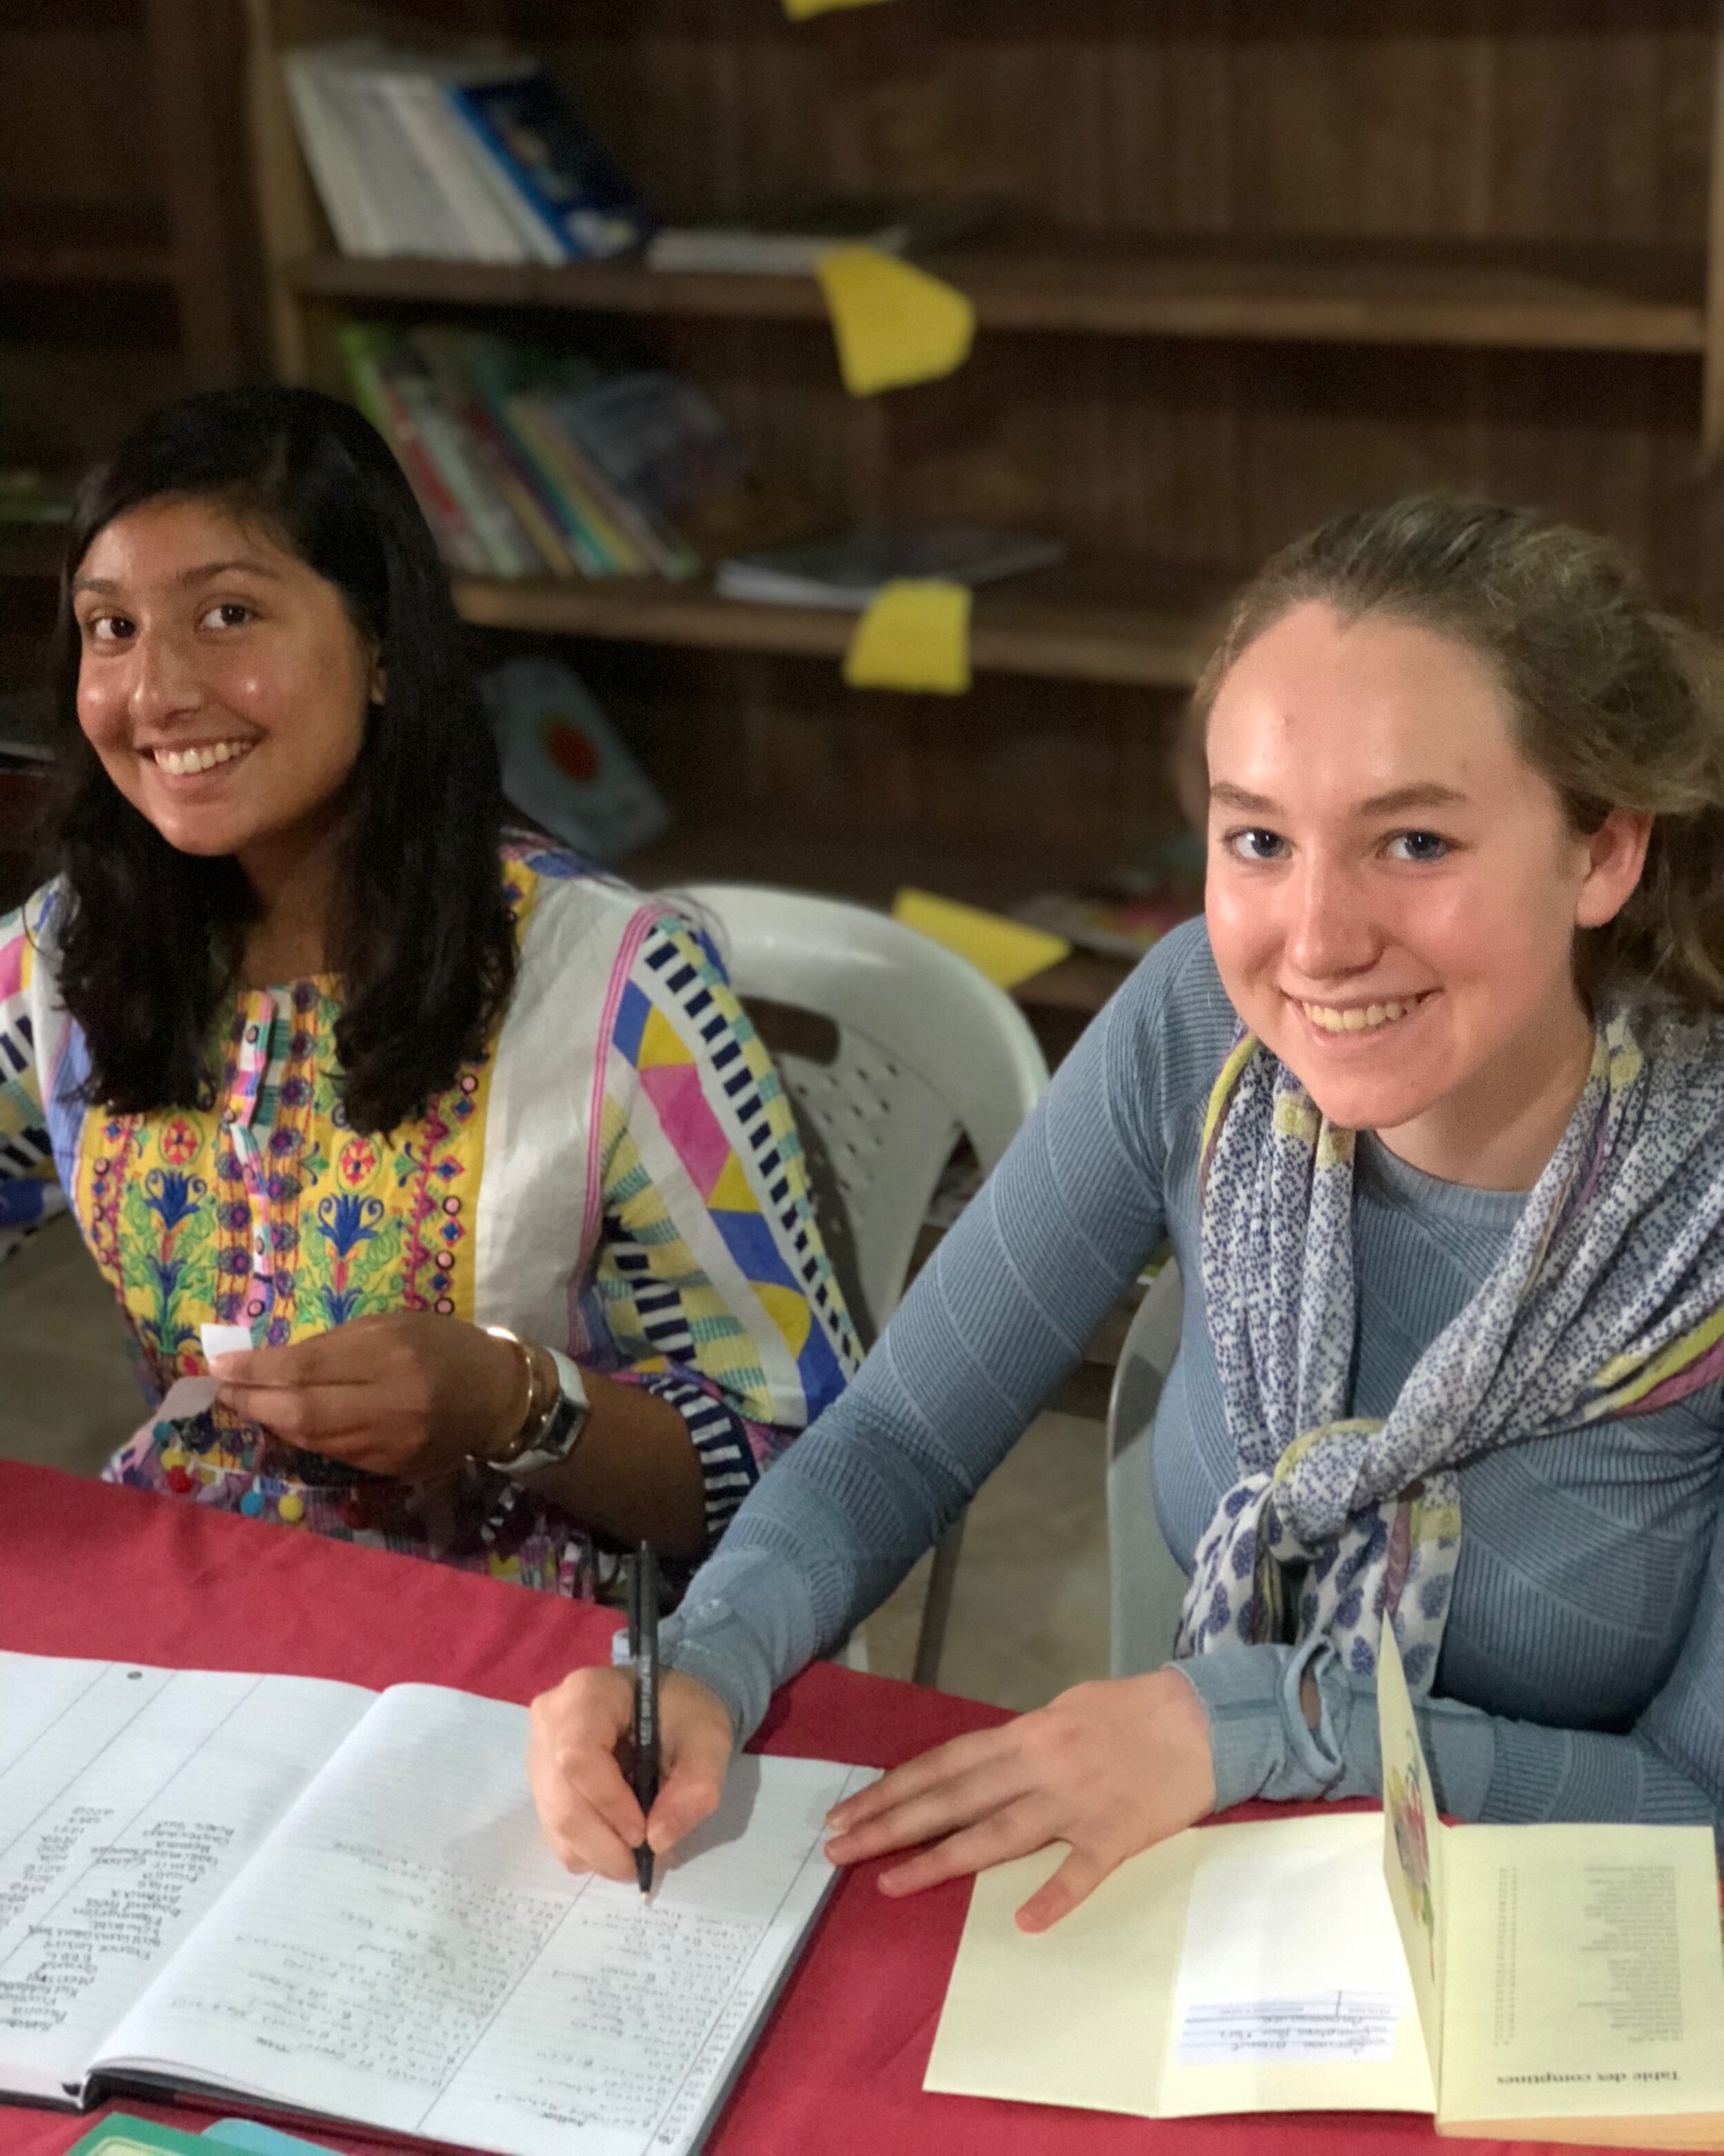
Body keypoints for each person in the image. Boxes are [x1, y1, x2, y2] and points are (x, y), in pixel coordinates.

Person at [528, 492, 1724, 1915]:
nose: (1320, 941)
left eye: (1413, 843)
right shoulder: (1192, 1028)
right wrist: (702, 1665)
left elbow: (1698, 1811)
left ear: (1602, 852)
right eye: (1258, 842)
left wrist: (1261, 1728)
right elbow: (905, 1433)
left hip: (1582, 1988)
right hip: (1218, 1931)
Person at [0, 388, 859, 1589]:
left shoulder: (619, 989)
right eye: (111, 629)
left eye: (229, 613)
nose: (155, 693)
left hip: (522, 1665)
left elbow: (811, 1463)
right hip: (193, 1612)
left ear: (385, 649)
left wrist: (513, 1404)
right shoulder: (67, 954)